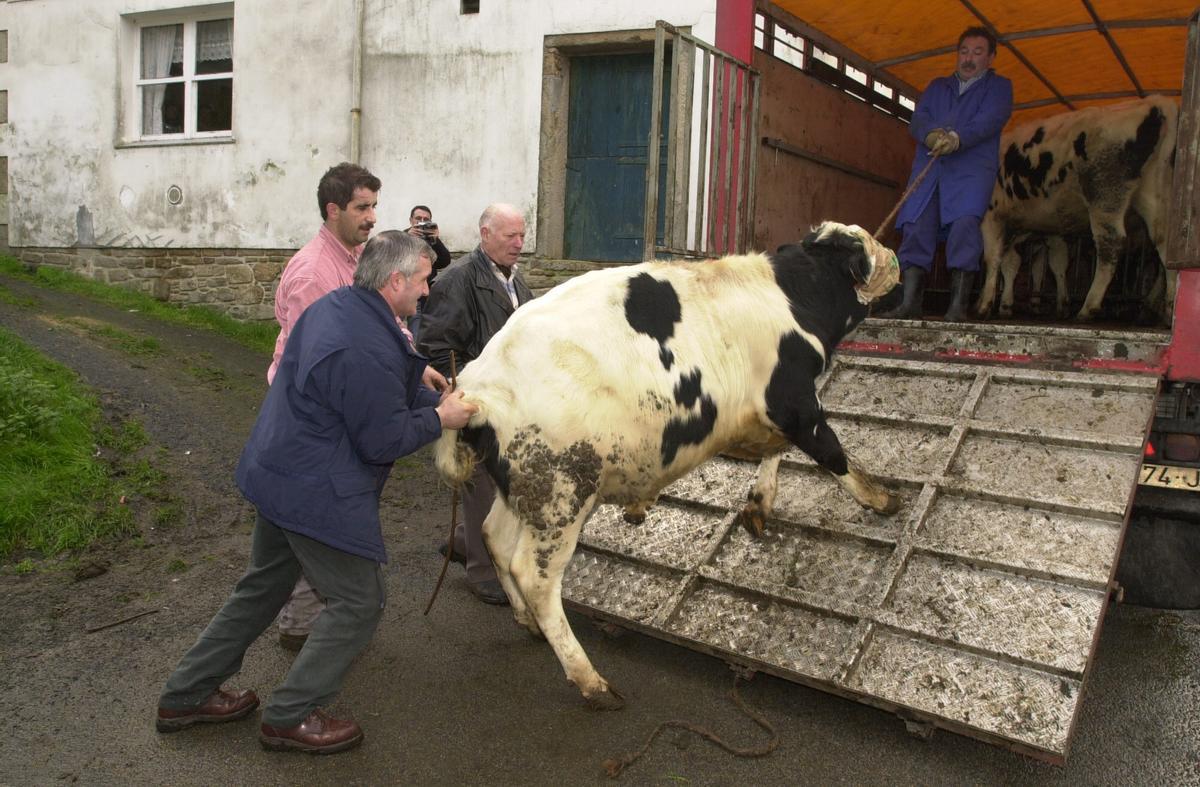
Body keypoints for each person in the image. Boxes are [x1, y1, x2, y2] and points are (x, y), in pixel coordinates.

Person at [155, 231, 477, 755]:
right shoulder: (363, 341)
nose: (428, 290)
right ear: (393, 279)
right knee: (358, 600)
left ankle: (186, 694)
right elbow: (381, 438)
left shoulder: (340, 306)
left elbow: (357, 389)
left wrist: (420, 382)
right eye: (422, 280)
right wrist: (441, 417)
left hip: (279, 470)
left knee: (263, 585)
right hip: (314, 488)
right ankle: (290, 716)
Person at [267, 165, 447, 651]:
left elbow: (381, 320)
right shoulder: (311, 272)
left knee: (308, 525)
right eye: (361, 208)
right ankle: (304, 628)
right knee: (324, 517)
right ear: (333, 210)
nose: (372, 218)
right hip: (320, 417)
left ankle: (311, 612)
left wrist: (415, 365)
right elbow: (327, 358)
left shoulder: (357, 257)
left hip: (345, 406)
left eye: (373, 206)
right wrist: (420, 409)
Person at [417, 203, 532, 605]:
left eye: (522, 235)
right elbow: (433, 347)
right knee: (484, 484)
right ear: (485, 234)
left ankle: (465, 541)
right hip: (478, 401)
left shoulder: (517, 282)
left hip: (510, 403)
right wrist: (476, 388)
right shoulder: (458, 281)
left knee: (505, 482)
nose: (519, 243)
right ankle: (483, 571)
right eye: (510, 236)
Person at [883, 26, 1012, 322]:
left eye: (978, 52)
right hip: (930, 167)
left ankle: (957, 307)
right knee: (916, 224)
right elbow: (919, 120)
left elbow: (990, 120)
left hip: (971, 168)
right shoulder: (937, 87)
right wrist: (930, 135)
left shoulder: (999, 87)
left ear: (991, 57)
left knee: (965, 225)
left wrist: (957, 137)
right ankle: (910, 303)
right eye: (964, 51)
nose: (969, 58)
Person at [404, 204, 453, 340]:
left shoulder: (431, 241)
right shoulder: (402, 237)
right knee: (415, 331)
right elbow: (394, 260)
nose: (421, 222)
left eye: (426, 219)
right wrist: (407, 237)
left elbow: (444, 261)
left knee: (430, 333)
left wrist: (435, 240)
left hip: (429, 295)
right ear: (411, 221)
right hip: (410, 294)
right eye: (418, 218)